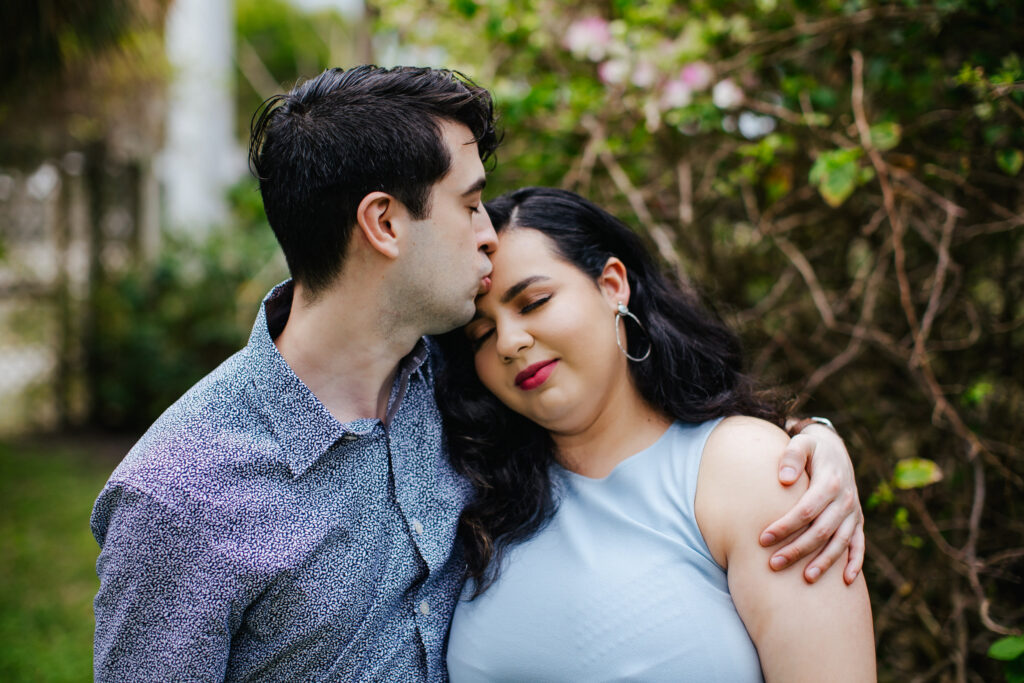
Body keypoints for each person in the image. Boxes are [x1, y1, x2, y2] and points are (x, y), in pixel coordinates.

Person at [90, 66, 863, 681]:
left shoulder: (455, 393)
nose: (488, 235)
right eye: (470, 204)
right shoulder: (183, 494)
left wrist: (810, 445)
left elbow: (633, 446)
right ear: (385, 223)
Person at [439, 187, 875, 681]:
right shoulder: (473, 497)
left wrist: (816, 434)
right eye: (482, 333)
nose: (510, 343)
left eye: (535, 302)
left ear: (612, 285)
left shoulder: (747, 468)